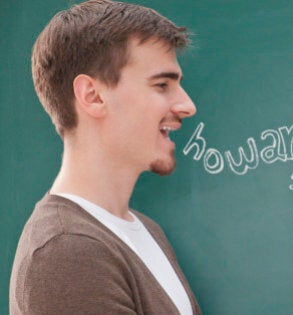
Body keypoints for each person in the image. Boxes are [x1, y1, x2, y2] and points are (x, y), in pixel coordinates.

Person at [9, 0, 201, 314]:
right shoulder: (68, 251)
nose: (186, 105)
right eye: (162, 85)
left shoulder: (145, 230)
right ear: (93, 96)